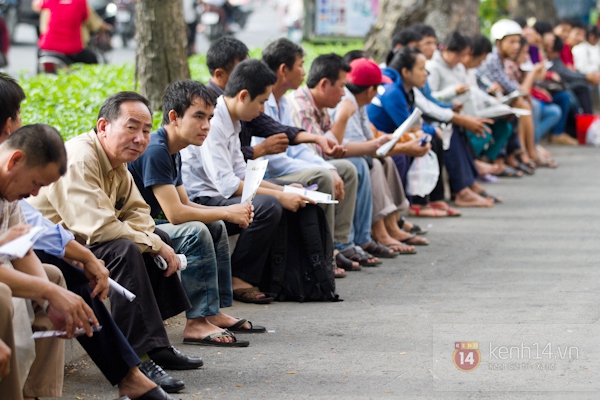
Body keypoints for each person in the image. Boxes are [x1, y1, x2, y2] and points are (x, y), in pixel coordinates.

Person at [27, 92, 203, 393]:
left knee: (153, 238)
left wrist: (151, 239)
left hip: (84, 239)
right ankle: (139, 356)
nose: (140, 138)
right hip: (54, 248)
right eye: (131, 127)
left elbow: (139, 212)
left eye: (146, 130)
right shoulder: (80, 158)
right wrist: (150, 242)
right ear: (103, 126)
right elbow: (99, 229)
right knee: (126, 249)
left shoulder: (117, 161)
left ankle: (156, 347)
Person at [128, 79, 264, 344]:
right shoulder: (156, 150)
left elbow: (186, 203)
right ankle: (197, 322)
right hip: (132, 227)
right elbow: (176, 215)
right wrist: (227, 212)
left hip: (149, 224)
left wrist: (228, 211)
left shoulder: (173, 150)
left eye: (210, 118)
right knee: (195, 232)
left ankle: (212, 312)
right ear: (174, 117)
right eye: (198, 116)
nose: (206, 126)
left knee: (213, 227)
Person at [180, 59, 319, 302]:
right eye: (262, 101)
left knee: (277, 200)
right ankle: (239, 279)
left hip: (221, 196)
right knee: (268, 206)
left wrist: (284, 188)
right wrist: (280, 196)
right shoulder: (214, 122)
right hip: (201, 200)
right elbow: (227, 185)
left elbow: (242, 173)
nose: (263, 109)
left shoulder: (232, 119)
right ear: (244, 96)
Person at [0, 124, 103, 400]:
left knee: (54, 276)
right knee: (8, 295)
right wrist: (48, 292)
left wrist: (50, 300)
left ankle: (38, 393)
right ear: (15, 160)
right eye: (36, 184)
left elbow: (22, 251)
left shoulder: (9, 192)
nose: (35, 195)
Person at [287, 53, 408, 260]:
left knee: (364, 163)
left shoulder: (322, 104)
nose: (344, 93)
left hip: (312, 161)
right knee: (357, 165)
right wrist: (343, 117)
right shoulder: (302, 106)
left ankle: (355, 239)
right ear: (325, 84)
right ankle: (343, 242)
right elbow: (321, 152)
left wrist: (376, 144)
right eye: (342, 86)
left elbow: (333, 147)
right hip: (295, 167)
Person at [369, 47, 494, 208]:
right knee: (429, 139)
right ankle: (418, 204)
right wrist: (432, 129)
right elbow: (407, 126)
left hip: (394, 137)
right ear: (406, 72)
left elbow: (420, 116)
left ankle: (440, 197)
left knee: (435, 136)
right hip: (384, 140)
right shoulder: (393, 91)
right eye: (421, 69)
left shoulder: (406, 89)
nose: (426, 74)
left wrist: (437, 121)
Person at [332, 54, 431, 247]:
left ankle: (392, 224)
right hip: (340, 156)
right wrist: (397, 146)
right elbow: (349, 147)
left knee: (386, 160)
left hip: (356, 151)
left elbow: (369, 141)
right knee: (373, 163)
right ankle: (375, 234)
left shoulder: (358, 104)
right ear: (370, 90)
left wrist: (389, 144)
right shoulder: (348, 104)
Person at [33, 0, 100, 64]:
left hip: (48, 46)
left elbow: (37, 5)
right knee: (92, 60)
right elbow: (86, 18)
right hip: (72, 49)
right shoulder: (80, 1)